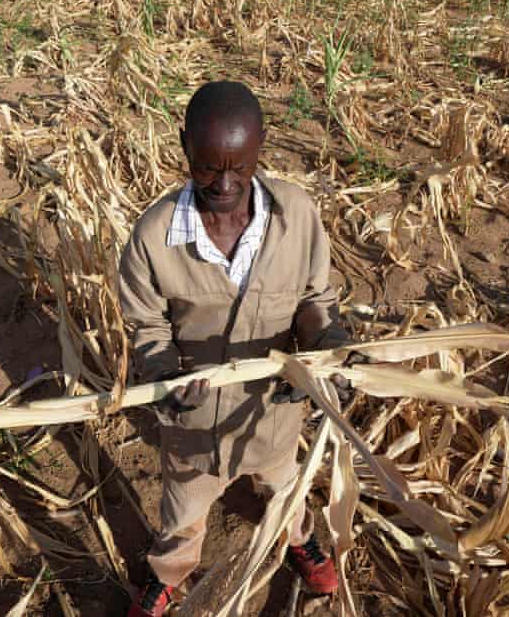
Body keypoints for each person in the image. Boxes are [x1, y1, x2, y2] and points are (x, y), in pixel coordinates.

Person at [118, 81, 348, 616]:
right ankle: (167, 573)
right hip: (193, 428)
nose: (223, 184)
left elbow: (315, 300)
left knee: (285, 489)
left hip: (272, 416)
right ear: (184, 148)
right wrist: (162, 375)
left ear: (260, 148)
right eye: (206, 169)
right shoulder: (153, 238)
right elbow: (147, 324)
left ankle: (298, 538)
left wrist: (329, 348)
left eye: (239, 169)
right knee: (182, 513)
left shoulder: (296, 217)